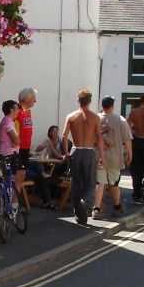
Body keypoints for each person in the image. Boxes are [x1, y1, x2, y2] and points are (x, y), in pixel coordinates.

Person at [61, 88, 104, 225]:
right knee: (90, 181)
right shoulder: (95, 117)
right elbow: (99, 138)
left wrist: (66, 153)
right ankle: (86, 203)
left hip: (75, 150)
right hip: (89, 151)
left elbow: (64, 136)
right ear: (90, 101)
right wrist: (102, 156)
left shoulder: (71, 116)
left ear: (78, 100)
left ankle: (80, 216)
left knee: (76, 183)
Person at [93, 96, 132, 219]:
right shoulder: (120, 120)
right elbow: (127, 138)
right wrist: (129, 153)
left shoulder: (96, 119)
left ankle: (96, 209)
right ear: (112, 106)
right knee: (114, 183)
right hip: (115, 156)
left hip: (99, 155)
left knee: (99, 183)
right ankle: (116, 207)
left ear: (102, 106)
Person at [14, 87, 37, 195]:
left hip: (26, 148)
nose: (35, 101)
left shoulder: (28, 112)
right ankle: (11, 204)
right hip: (18, 149)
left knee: (21, 177)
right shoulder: (17, 110)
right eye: (33, 98)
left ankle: (15, 204)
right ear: (26, 98)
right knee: (16, 177)